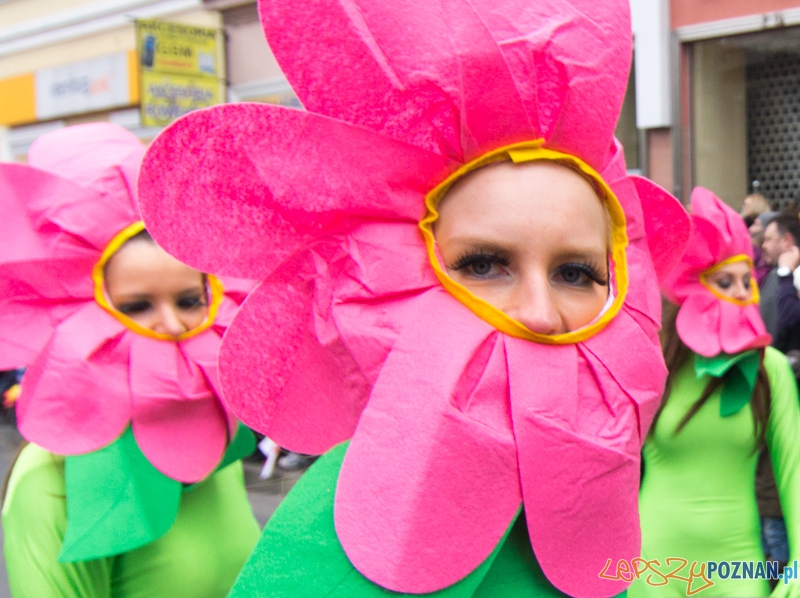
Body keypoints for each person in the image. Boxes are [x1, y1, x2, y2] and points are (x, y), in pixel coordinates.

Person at [137, 0, 690, 596]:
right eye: (484, 264)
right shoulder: (337, 526)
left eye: (576, 274)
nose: (541, 314)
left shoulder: (596, 492)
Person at [0, 123, 260, 597]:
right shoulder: (49, 482)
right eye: (138, 306)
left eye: (188, 300)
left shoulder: (217, 445)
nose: (175, 325)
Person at [631, 187, 800, 597]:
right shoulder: (652, 364)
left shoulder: (769, 369)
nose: (743, 293)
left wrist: (794, 579)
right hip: (653, 565)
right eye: (725, 281)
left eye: (747, 280)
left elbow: (795, 477)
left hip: (737, 569)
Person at [760, 213, 800, 350]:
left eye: (768, 239)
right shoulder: (775, 273)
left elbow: (773, 330)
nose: (763, 245)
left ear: (786, 241)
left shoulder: (785, 277)